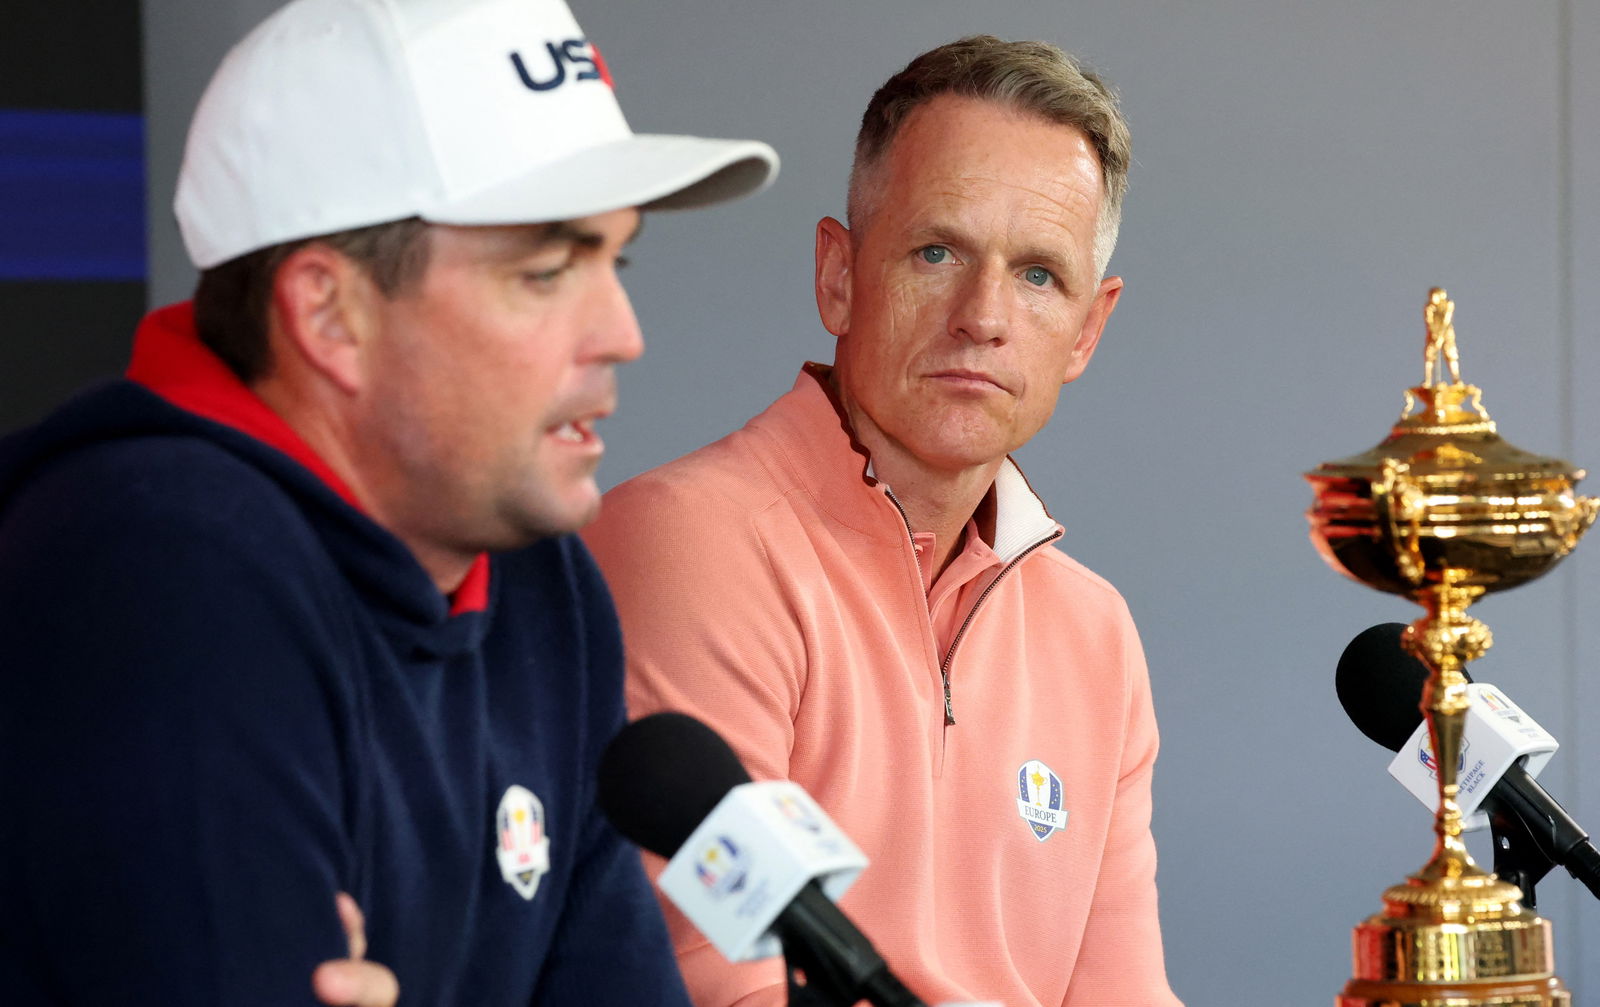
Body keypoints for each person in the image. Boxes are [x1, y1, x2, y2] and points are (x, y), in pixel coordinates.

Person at [0, 0, 775, 1003]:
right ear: (329, 313)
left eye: (612, 261)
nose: (622, 331)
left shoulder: (539, 577)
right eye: (546, 271)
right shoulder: (155, 563)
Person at [585, 36, 1181, 1006]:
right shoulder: (687, 538)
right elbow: (722, 986)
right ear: (840, 275)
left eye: (1037, 274)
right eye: (936, 250)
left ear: (1087, 328)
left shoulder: (1095, 632)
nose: (982, 314)